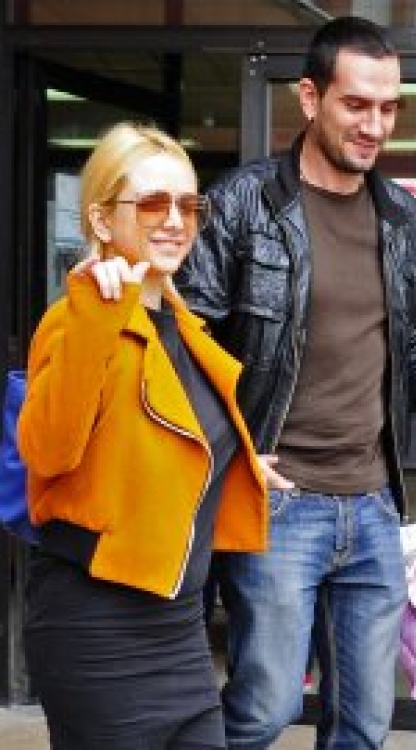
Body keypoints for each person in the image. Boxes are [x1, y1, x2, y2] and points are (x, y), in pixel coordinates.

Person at [176, 16, 416, 750]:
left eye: (388, 107)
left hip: (374, 507)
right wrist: (232, 450)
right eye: (356, 104)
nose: (375, 125)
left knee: (363, 721)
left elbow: (415, 355)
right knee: (263, 710)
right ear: (310, 97)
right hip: (278, 506)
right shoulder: (246, 203)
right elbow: (187, 345)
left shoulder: (400, 218)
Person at [17, 121, 271, 750]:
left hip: (179, 624)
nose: (175, 221)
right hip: (97, 625)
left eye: (189, 205)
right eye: (154, 203)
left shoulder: (183, 327)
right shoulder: (76, 319)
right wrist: (94, 317)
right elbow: (47, 450)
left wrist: (236, 464)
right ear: (102, 220)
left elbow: (156, 441)